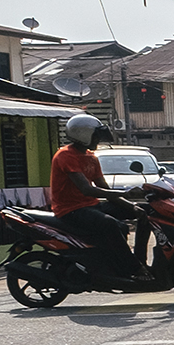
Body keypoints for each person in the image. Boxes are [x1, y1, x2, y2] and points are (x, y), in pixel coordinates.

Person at [49, 114, 134, 277]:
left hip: (90, 206)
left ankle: (131, 259)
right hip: (70, 210)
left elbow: (104, 188)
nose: (98, 141)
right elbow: (87, 189)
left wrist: (134, 207)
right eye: (96, 137)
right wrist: (124, 193)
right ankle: (131, 268)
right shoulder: (65, 155)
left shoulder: (91, 157)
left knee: (144, 213)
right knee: (111, 224)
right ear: (84, 135)